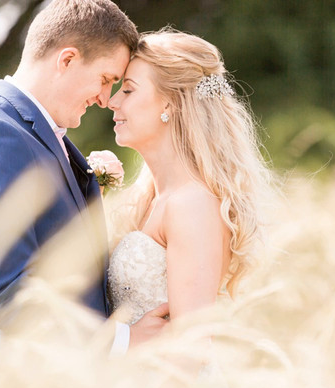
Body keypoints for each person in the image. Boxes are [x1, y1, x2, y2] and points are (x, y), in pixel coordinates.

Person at [0, 0, 168, 352]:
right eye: (106, 79)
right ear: (67, 60)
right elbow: (10, 298)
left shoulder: (33, 136)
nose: (105, 98)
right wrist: (120, 341)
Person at [103, 28, 276, 335]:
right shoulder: (155, 198)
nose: (112, 102)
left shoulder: (192, 205)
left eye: (128, 91)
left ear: (169, 104)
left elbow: (188, 348)